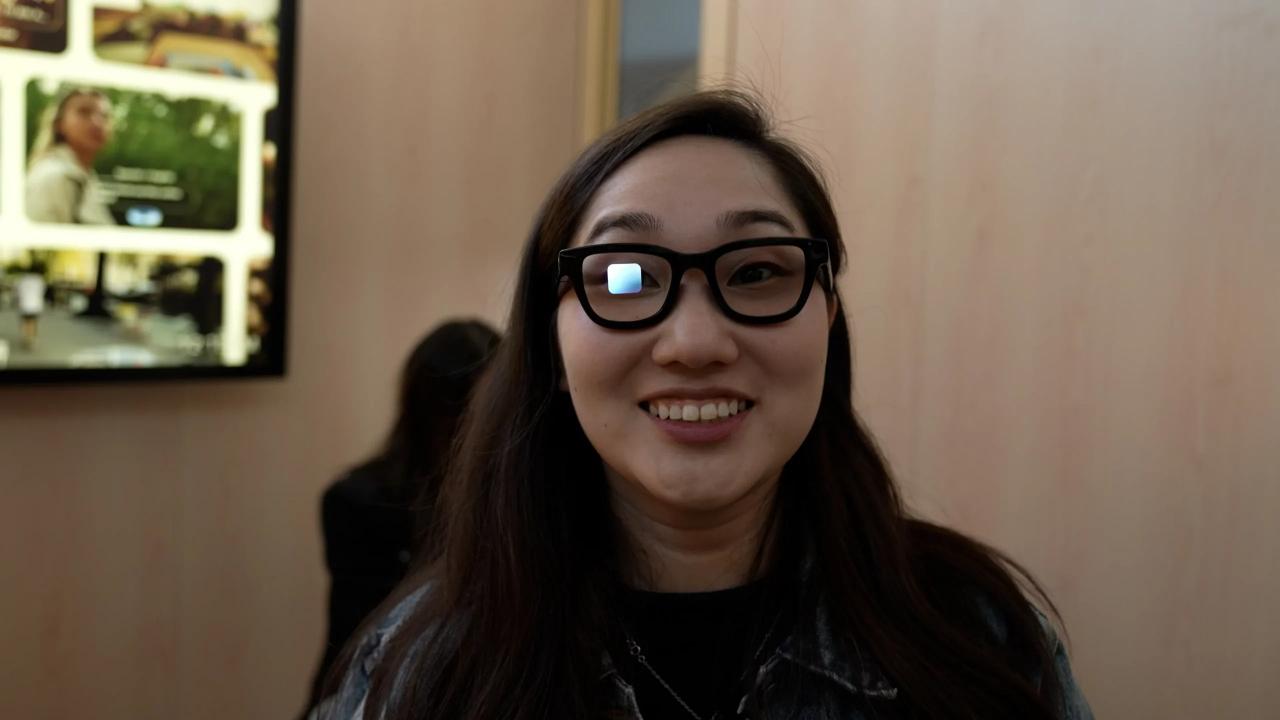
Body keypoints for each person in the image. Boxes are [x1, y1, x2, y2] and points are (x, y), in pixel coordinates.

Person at [318, 90, 1093, 720]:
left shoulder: (980, 639)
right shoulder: (423, 671)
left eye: (756, 272)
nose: (693, 343)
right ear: (550, 345)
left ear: (827, 320)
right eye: (627, 277)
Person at [302, 320, 501, 717]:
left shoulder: (512, 494)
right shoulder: (360, 500)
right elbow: (357, 632)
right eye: (467, 412)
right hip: (382, 687)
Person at [26, 88, 117, 226]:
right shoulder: (54, 176)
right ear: (59, 124)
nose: (97, 122)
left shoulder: (84, 176)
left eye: (104, 116)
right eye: (84, 112)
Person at [15, 261, 48, 349]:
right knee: (33, 322)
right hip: (35, 305)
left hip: (24, 304)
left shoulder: (22, 279)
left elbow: (18, 292)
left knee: (25, 322)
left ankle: (26, 337)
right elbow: (42, 292)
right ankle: (31, 339)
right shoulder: (40, 280)